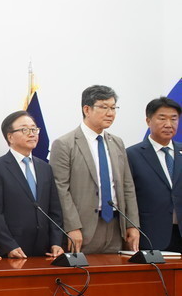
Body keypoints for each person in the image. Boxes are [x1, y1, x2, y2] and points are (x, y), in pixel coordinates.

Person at [49, 85, 140, 254]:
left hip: (116, 227)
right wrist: (72, 226)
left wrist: (132, 224)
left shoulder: (117, 143)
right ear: (87, 109)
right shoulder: (65, 144)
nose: (110, 113)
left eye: (113, 108)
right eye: (104, 107)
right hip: (82, 228)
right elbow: (60, 189)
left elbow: (128, 186)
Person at [0, 111, 64, 258]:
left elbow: (55, 210)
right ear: (10, 137)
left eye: (34, 129)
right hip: (13, 249)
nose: (32, 134)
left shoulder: (45, 168)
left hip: (45, 249)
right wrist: (9, 245)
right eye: (25, 130)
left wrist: (56, 242)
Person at [127, 97, 182, 252]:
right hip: (151, 235)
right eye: (162, 118)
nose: (168, 124)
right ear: (148, 121)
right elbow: (128, 196)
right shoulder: (132, 154)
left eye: (174, 119)